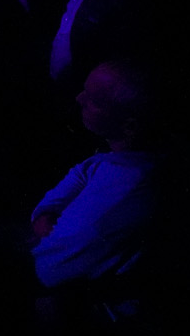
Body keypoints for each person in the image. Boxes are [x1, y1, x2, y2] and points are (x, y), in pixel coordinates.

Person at [31, 61, 173, 301]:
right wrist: (45, 213)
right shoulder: (112, 159)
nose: (79, 98)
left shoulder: (125, 190)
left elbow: (46, 269)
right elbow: (81, 173)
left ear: (129, 126)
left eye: (94, 100)